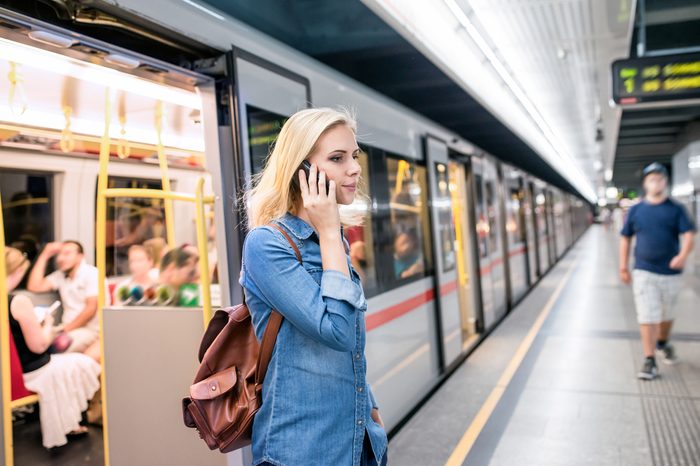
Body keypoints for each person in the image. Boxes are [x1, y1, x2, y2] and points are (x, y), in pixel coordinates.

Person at [240, 108, 387, 465]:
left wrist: (370, 409)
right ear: (301, 170)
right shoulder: (267, 244)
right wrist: (327, 232)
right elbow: (337, 331)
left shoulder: (332, 240)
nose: (354, 168)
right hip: (303, 449)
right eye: (337, 158)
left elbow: (347, 346)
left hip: (358, 440)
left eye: (353, 156)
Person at [5, 247, 101, 449]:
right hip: (34, 369)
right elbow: (39, 346)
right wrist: (47, 323)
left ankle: (71, 420)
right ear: (16, 272)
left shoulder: (91, 274)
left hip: (14, 370)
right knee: (84, 363)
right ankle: (73, 420)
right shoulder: (19, 301)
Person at [620, 162, 696, 380]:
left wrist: (681, 257)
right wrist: (623, 266)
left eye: (660, 179)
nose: (656, 182)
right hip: (644, 272)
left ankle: (663, 341)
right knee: (647, 314)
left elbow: (689, 235)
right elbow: (625, 238)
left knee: (667, 314)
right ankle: (649, 359)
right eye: (652, 179)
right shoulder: (636, 210)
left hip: (671, 273)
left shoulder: (676, 209)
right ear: (645, 183)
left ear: (666, 182)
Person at [26, 241, 99, 358]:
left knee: (57, 347)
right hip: (66, 327)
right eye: (59, 254)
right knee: (35, 343)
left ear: (80, 256)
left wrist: (64, 330)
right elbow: (34, 286)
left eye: (67, 253)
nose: (60, 258)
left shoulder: (92, 274)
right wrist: (45, 254)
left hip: (89, 330)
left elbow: (91, 309)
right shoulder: (60, 276)